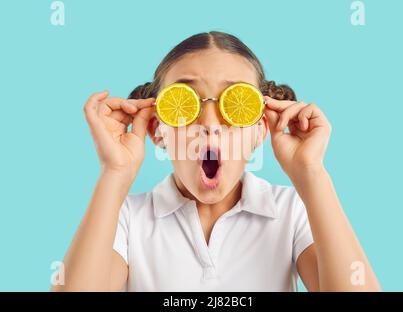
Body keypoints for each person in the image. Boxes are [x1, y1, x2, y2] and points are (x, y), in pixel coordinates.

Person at [52, 31, 380, 292]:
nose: (210, 123)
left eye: (235, 103)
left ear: (260, 131)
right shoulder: (125, 218)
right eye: (184, 102)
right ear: (157, 130)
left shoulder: (294, 212)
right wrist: (115, 173)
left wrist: (312, 174)